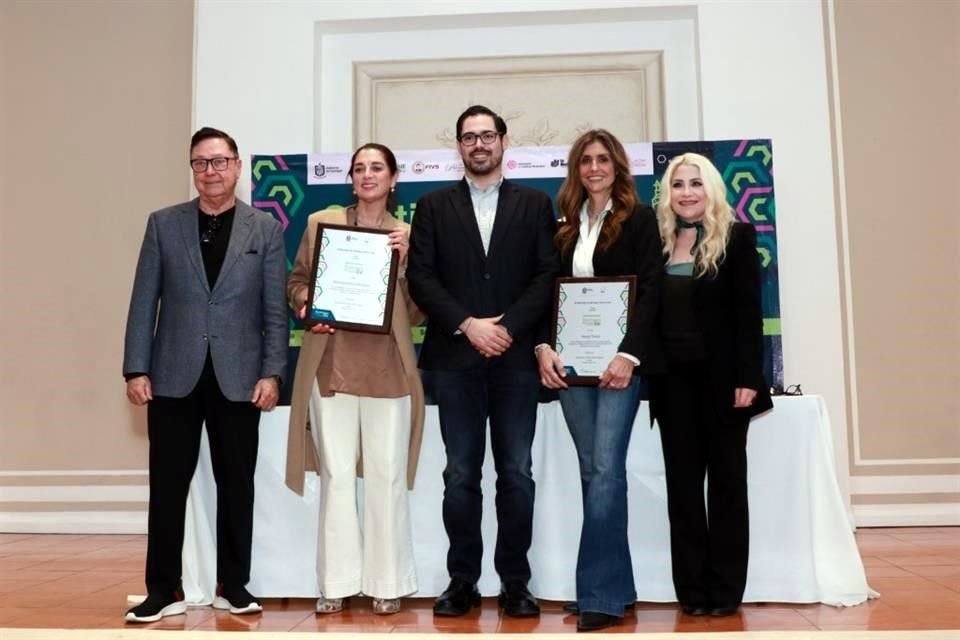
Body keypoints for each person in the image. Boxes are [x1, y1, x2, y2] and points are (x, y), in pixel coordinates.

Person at [122, 127, 287, 623]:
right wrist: (136, 367)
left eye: (219, 162)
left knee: (237, 483)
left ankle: (233, 585)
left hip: (240, 376)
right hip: (172, 373)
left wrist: (273, 372)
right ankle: (163, 589)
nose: (210, 172)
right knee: (166, 485)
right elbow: (142, 301)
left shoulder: (265, 229)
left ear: (237, 166)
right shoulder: (163, 224)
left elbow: (274, 311)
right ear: (192, 169)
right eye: (200, 163)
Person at [406, 105, 558, 618]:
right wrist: (470, 325)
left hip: (516, 361)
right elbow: (422, 277)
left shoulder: (536, 204)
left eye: (487, 135)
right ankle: (462, 580)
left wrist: (508, 327)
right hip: (455, 359)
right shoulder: (431, 206)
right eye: (469, 137)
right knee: (459, 475)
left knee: (516, 472)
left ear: (504, 141)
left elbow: (545, 276)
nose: (478, 144)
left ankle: (516, 581)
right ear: (458, 147)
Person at [284, 143, 423, 616]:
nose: (367, 176)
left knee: (386, 477)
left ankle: (387, 583)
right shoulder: (321, 225)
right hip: (332, 368)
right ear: (351, 178)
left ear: (393, 179)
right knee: (337, 476)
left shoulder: (407, 234)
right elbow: (296, 282)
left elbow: (421, 310)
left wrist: (407, 269)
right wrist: (306, 307)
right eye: (359, 168)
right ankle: (336, 583)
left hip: (389, 370)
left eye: (376, 168)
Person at [535, 129, 661, 632]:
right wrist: (543, 347)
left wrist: (629, 355)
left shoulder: (639, 219)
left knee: (606, 471)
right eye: (585, 160)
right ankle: (619, 586)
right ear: (575, 169)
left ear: (618, 167)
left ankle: (599, 596)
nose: (593, 168)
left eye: (602, 160)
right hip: (572, 369)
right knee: (595, 474)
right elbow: (549, 293)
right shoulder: (565, 227)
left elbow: (649, 290)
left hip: (616, 368)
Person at [649, 152, 772, 618]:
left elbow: (748, 314)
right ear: (668, 193)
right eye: (678, 184)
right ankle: (692, 590)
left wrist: (748, 378)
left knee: (726, 488)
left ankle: (725, 589)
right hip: (672, 384)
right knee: (682, 490)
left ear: (712, 189)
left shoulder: (738, 236)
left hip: (725, 385)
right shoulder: (657, 241)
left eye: (695, 184)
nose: (686, 193)